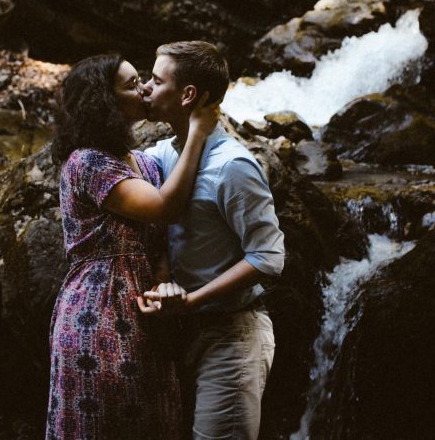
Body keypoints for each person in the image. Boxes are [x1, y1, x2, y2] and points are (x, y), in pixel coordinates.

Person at [46, 52, 219, 440]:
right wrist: (197, 132)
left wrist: (162, 282)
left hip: (146, 315)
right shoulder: (87, 162)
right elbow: (164, 208)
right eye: (130, 84)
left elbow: (157, 241)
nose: (144, 88)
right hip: (96, 313)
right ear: (104, 101)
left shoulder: (143, 161)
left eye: (143, 79)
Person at [139, 41, 286, 440]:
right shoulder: (161, 155)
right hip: (179, 336)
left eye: (155, 80)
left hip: (231, 337)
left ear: (187, 95)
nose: (145, 89)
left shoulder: (233, 166)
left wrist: (190, 301)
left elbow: (269, 257)